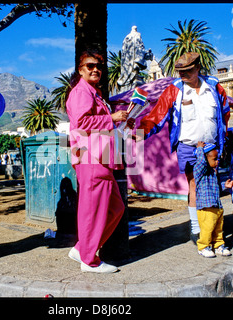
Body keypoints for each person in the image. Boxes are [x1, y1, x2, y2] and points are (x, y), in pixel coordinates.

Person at [136, 52, 230, 244]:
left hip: (211, 147)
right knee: (194, 184)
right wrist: (136, 134)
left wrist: (223, 138)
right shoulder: (174, 90)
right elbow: (157, 116)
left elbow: (225, 112)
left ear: (198, 68)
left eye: (187, 71)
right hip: (188, 146)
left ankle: (212, 227)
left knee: (212, 187)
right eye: (180, 71)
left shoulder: (214, 86)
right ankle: (196, 229)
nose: (183, 75)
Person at [65, 49, 133, 273]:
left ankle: (82, 249)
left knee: (115, 208)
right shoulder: (81, 92)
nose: (96, 69)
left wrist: (117, 122)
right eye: (90, 66)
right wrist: (111, 117)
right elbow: (82, 123)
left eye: (99, 66)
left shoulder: (93, 93)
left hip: (100, 156)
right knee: (92, 211)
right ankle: (89, 260)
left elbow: (95, 123)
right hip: (90, 157)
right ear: (80, 70)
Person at [194, 141, 231, 258]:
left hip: (216, 206)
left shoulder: (213, 173)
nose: (217, 161)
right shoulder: (199, 170)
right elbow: (201, 162)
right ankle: (203, 246)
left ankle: (218, 245)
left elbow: (215, 190)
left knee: (218, 228)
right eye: (214, 159)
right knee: (207, 228)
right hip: (206, 207)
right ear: (205, 158)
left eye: (217, 159)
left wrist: (226, 188)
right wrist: (200, 149)